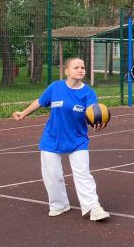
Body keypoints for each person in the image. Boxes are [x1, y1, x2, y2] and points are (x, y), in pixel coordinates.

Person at [12, 57, 110, 221]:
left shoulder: (88, 93)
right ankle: (59, 205)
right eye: (76, 67)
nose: (80, 70)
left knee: (83, 175)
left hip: (77, 140)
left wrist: (98, 123)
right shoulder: (55, 87)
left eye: (83, 67)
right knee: (52, 175)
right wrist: (23, 113)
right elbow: (40, 101)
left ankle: (93, 208)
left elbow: (94, 112)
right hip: (52, 138)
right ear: (66, 71)